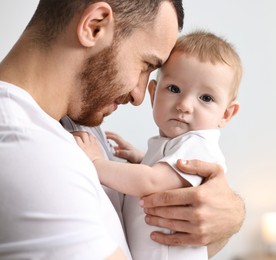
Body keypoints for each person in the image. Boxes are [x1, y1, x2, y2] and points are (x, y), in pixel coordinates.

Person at [0, 0, 244, 259]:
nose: (140, 96)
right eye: (146, 65)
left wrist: (229, 216)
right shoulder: (25, 148)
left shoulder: (75, 123)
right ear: (95, 26)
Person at [73, 30, 242, 260]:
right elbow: (164, 177)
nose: (184, 105)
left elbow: (150, 181)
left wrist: (96, 162)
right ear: (153, 94)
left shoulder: (199, 144)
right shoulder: (173, 145)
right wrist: (141, 158)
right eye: (174, 89)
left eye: (205, 98)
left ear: (226, 114)